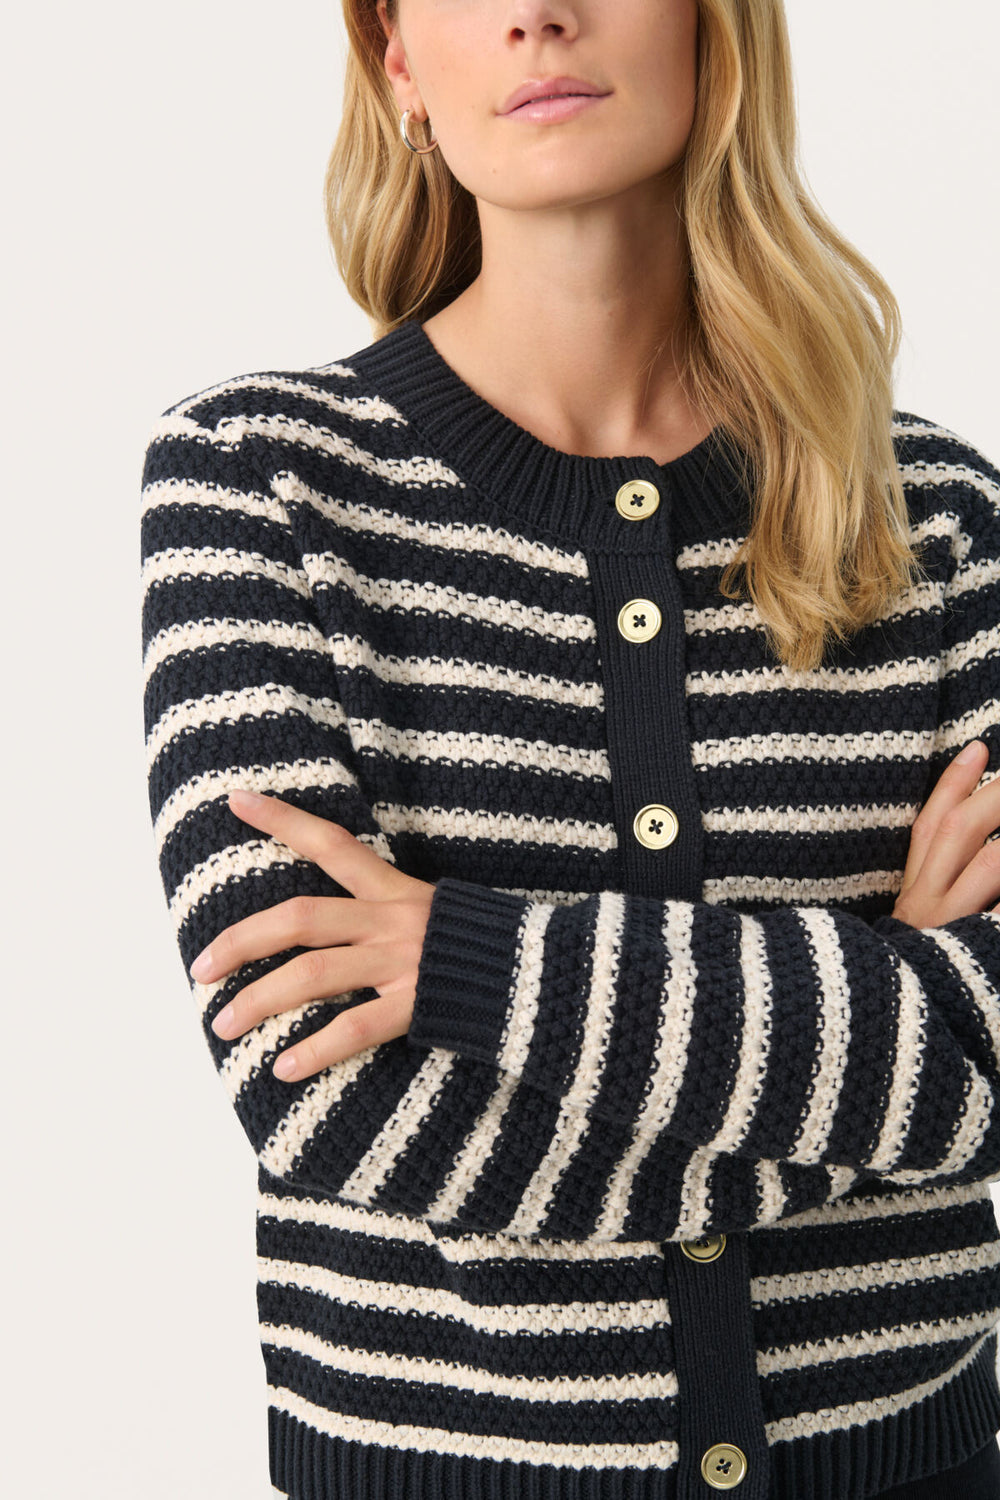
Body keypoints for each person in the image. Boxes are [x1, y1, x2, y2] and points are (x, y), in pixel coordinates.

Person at [140, 1, 1000, 1496]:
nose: (538, 14)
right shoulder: (258, 484)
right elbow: (328, 1097)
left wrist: (465, 962)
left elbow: (992, 1057)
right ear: (399, 60)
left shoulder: (936, 514)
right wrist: (883, 1050)